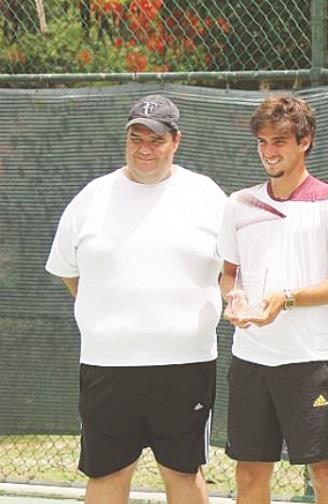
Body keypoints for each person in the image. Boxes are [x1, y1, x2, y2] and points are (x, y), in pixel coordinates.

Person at [45, 95, 227, 504]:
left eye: (156, 140)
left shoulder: (206, 194)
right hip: (108, 366)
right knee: (107, 475)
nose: (145, 148)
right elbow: (68, 271)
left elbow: (231, 269)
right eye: (136, 138)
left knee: (183, 475)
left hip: (186, 366)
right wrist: (110, 315)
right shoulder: (93, 196)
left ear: (176, 141)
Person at [217, 95, 328, 504]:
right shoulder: (239, 203)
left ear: (305, 140)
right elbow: (228, 276)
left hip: (309, 361)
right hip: (250, 361)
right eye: (262, 141)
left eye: (279, 141)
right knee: (248, 473)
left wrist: (287, 298)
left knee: (326, 472)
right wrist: (233, 301)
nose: (269, 151)